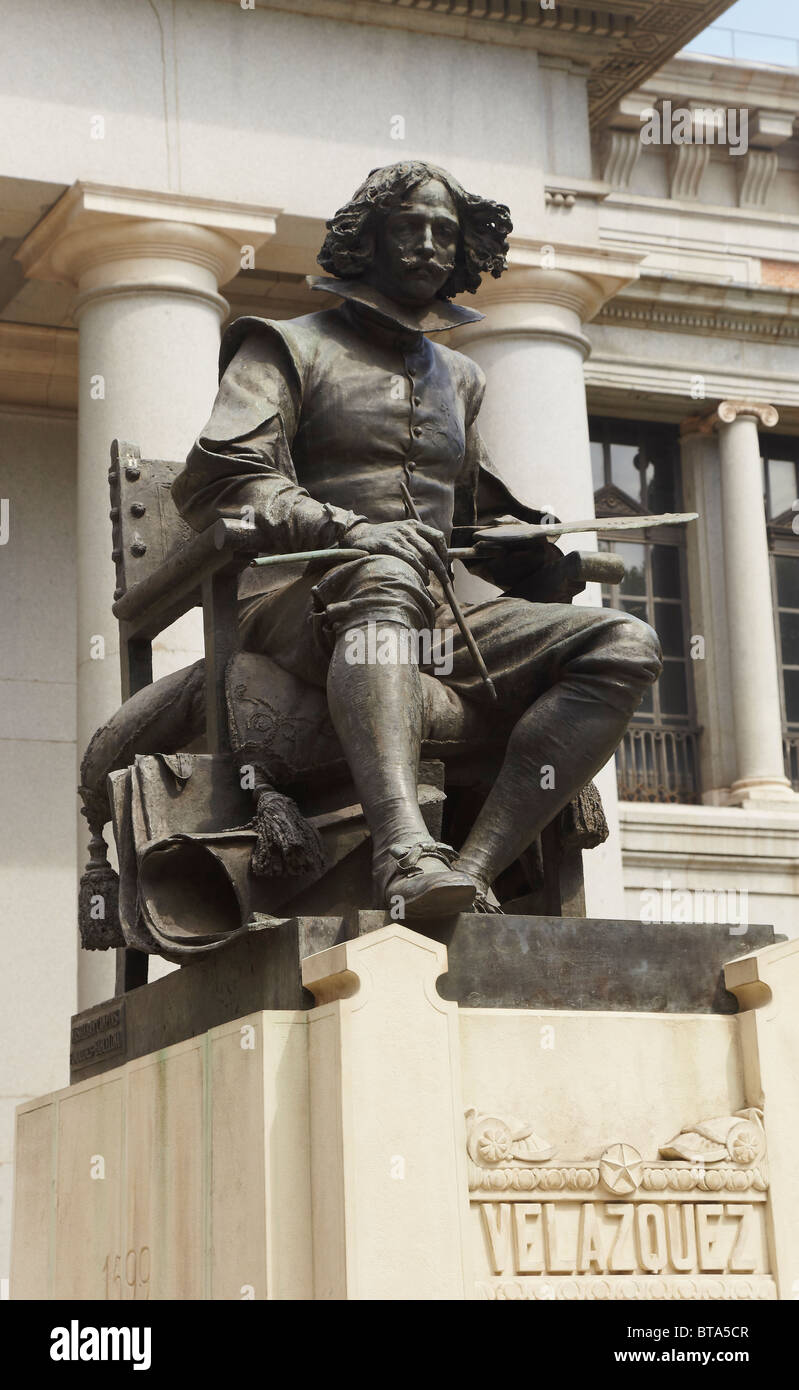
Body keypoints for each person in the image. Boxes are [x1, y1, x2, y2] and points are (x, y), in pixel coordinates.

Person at [172, 161, 661, 919]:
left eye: (445, 233)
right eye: (409, 227)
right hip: (298, 602)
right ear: (365, 241)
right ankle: (402, 851)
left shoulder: (461, 376)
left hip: (435, 618)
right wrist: (353, 529)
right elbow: (223, 481)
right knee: (381, 576)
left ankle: (470, 870)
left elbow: (468, 516)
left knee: (623, 642)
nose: (430, 245)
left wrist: (529, 553)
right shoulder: (284, 347)